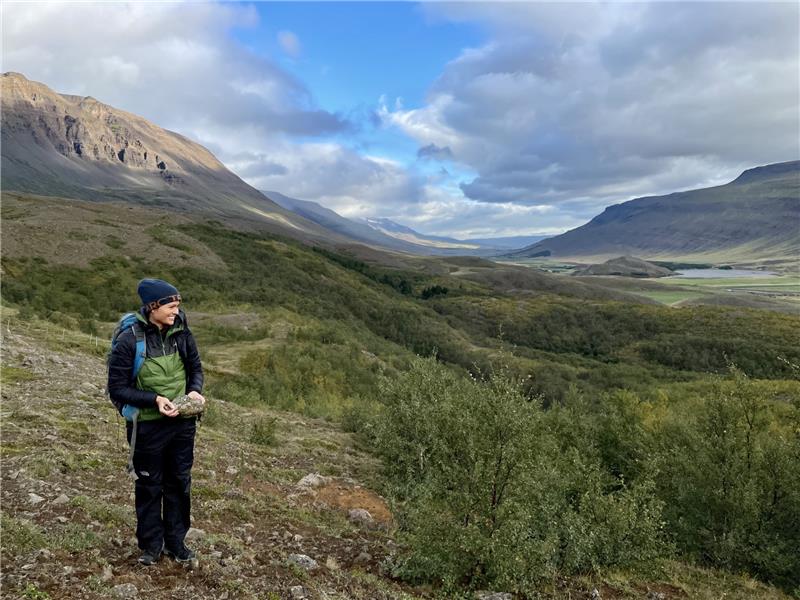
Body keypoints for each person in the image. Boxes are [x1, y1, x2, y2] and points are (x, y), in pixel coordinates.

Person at [107, 278, 205, 566]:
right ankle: (151, 546)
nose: (176, 310)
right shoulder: (130, 340)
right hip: (147, 426)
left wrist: (195, 391)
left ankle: (177, 543)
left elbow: (195, 368)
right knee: (150, 485)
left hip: (182, 424)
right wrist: (155, 400)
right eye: (171, 305)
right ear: (153, 307)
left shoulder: (182, 332)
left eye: (177, 305)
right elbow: (118, 388)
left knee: (179, 482)